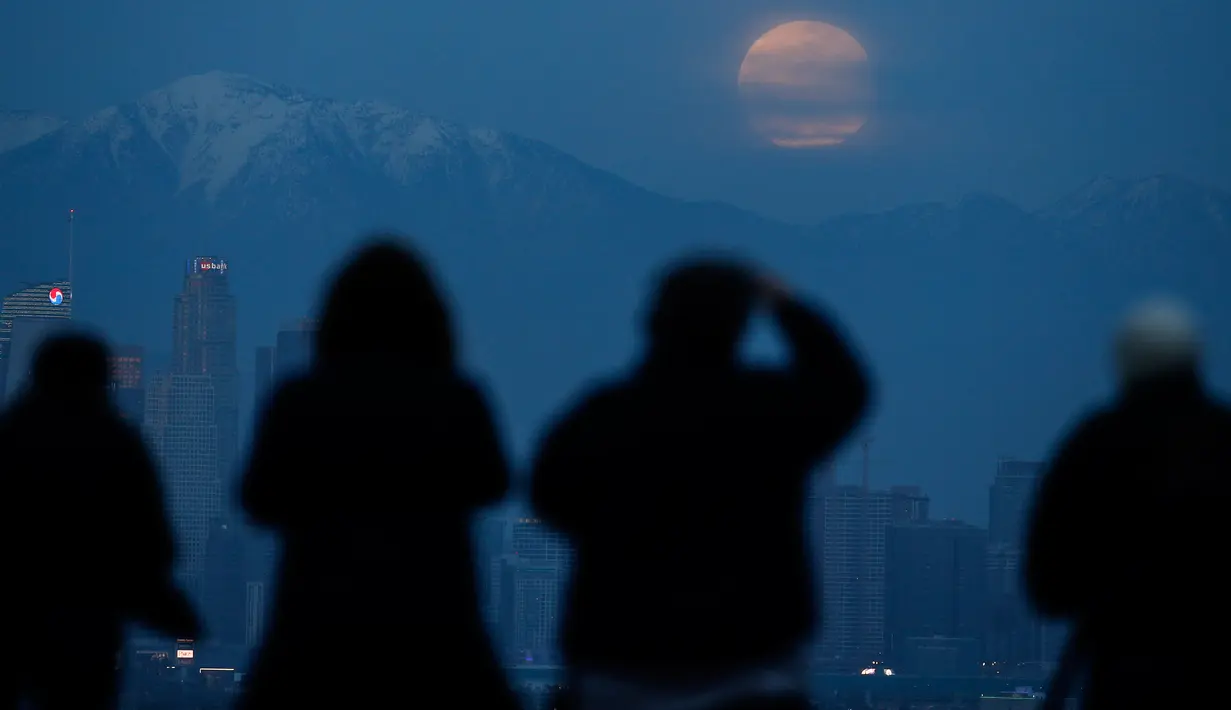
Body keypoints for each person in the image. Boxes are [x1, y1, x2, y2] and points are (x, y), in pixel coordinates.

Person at [529, 257, 873, 710]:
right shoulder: (766, 412)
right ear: (738, 327)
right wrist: (785, 304)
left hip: (619, 666)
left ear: (652, 322)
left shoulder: (605, 416)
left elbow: (547, 495)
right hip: (750, 671)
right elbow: (845, 386)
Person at [236, 237, 517, 710]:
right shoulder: (455, 397)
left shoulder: (302, 399)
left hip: (316, 627)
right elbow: (494, 482)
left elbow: (258, 499)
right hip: (437, 628)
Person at [1025, 297, 1231, 710]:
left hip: (1123, 674)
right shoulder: (1222, 439)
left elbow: (1046, 586)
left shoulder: (1093, 444)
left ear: (1121, 361)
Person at [0, 334, 200, 710]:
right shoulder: (117, 442)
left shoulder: (12, 437)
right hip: (88, 620)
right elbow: (151, 540)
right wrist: (161, 603)